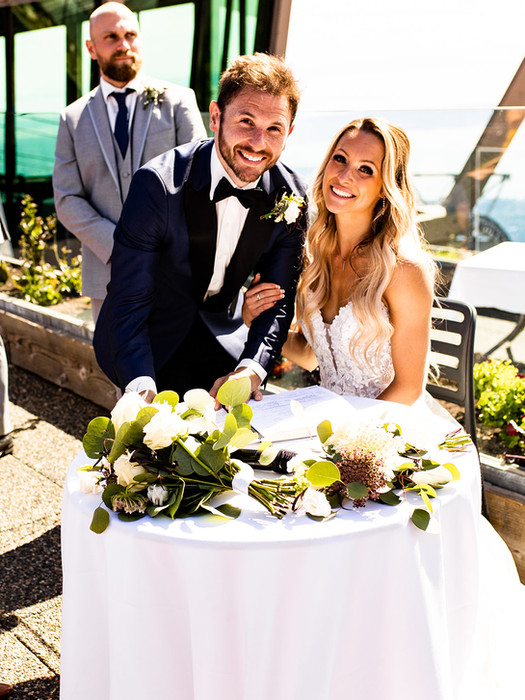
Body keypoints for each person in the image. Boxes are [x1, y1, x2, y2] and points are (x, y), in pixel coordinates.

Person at [93, 52, 307, 404]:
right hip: (148, 342)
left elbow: (277, 303)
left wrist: (252, 367)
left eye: (274, 129)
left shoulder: (291, 197)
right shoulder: (158, 186)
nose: (258, 142)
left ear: (289, 133)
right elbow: (128, 301)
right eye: (246, 121)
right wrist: (140, 385)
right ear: (216, 116)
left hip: (224, 343)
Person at [244, 116, 436, 405]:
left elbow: (408, 389)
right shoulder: (314, 257)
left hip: (385, 430)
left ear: (385, 187)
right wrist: (256, 320)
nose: (344, 176)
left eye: (365, 170)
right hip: (325, 424)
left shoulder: (404, 271)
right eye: (340, 159)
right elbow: (310, 356)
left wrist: (347, 441)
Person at [53, 1, 206, 321]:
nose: (123, 45)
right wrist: (120, 245)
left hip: (173, 274)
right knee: (115, 369)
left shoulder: (179, 101)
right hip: (106, 278)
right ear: (91, 48)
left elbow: (200, 180)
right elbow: (67, 199)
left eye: (130, 34)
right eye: (111, 37)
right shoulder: (73, 117)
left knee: (175, 368)